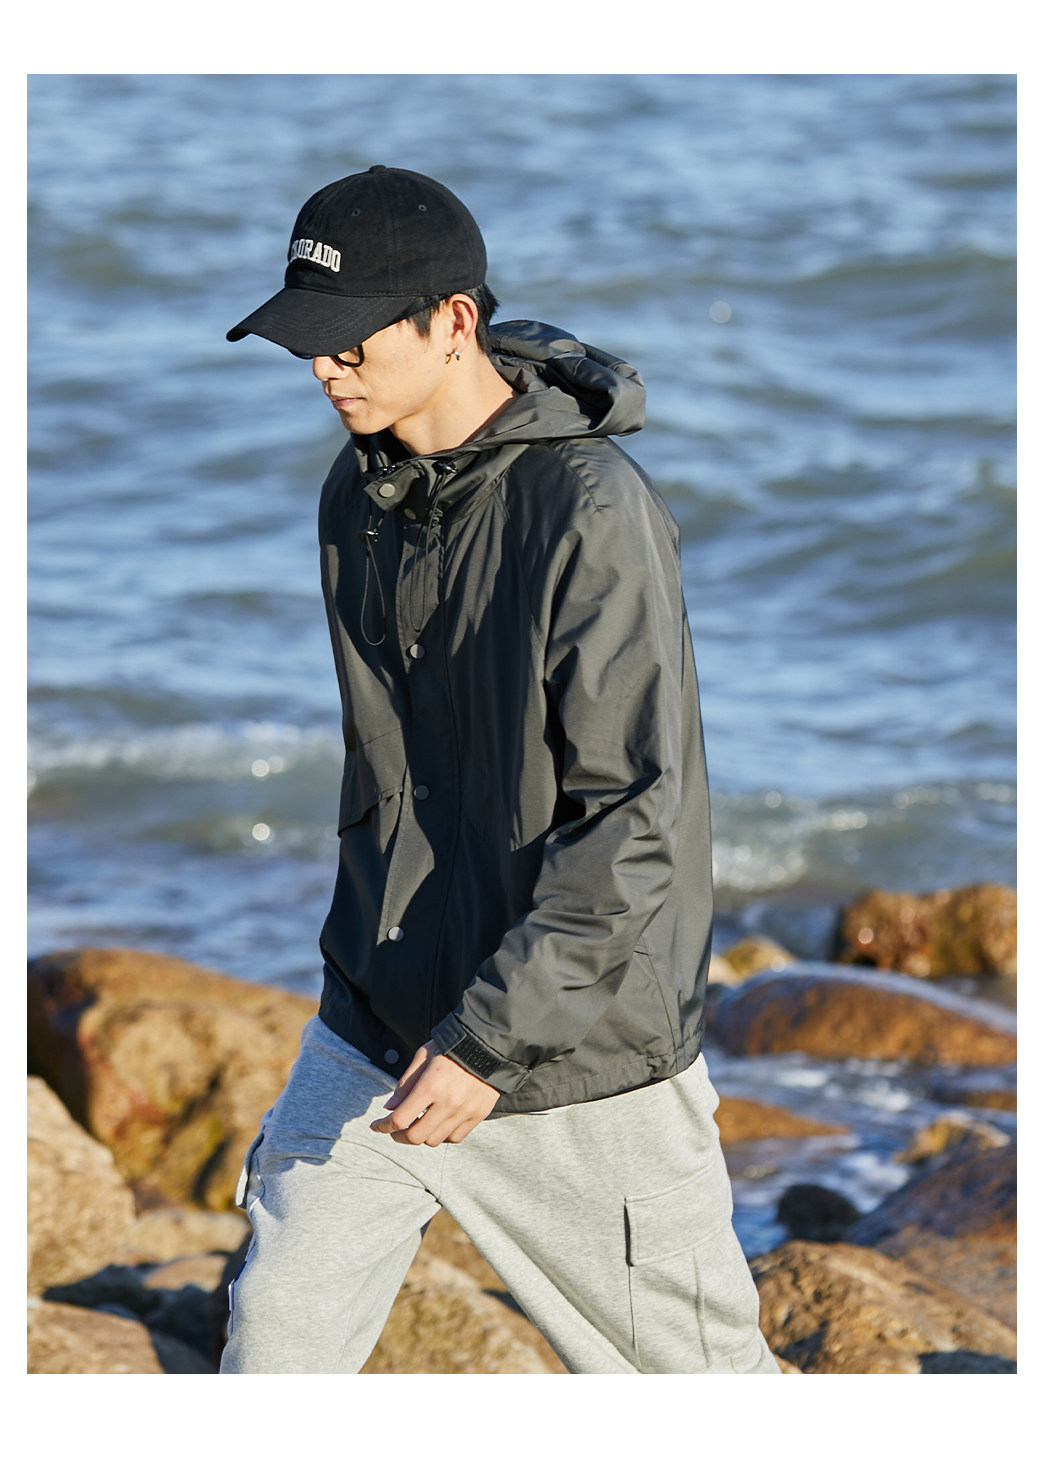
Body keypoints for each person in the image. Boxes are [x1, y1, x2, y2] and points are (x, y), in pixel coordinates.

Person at [219, 164, 780, 1375]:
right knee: (272, 1348)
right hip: (377, 1028)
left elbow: (635, 819)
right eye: (309, 344)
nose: (324, 370)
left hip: (578, 1062)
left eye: (351, 342)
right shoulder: (357, 493)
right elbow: (391, 770)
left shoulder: (591, 512)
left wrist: (489, 1041)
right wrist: (368, 975)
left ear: (454, 321)